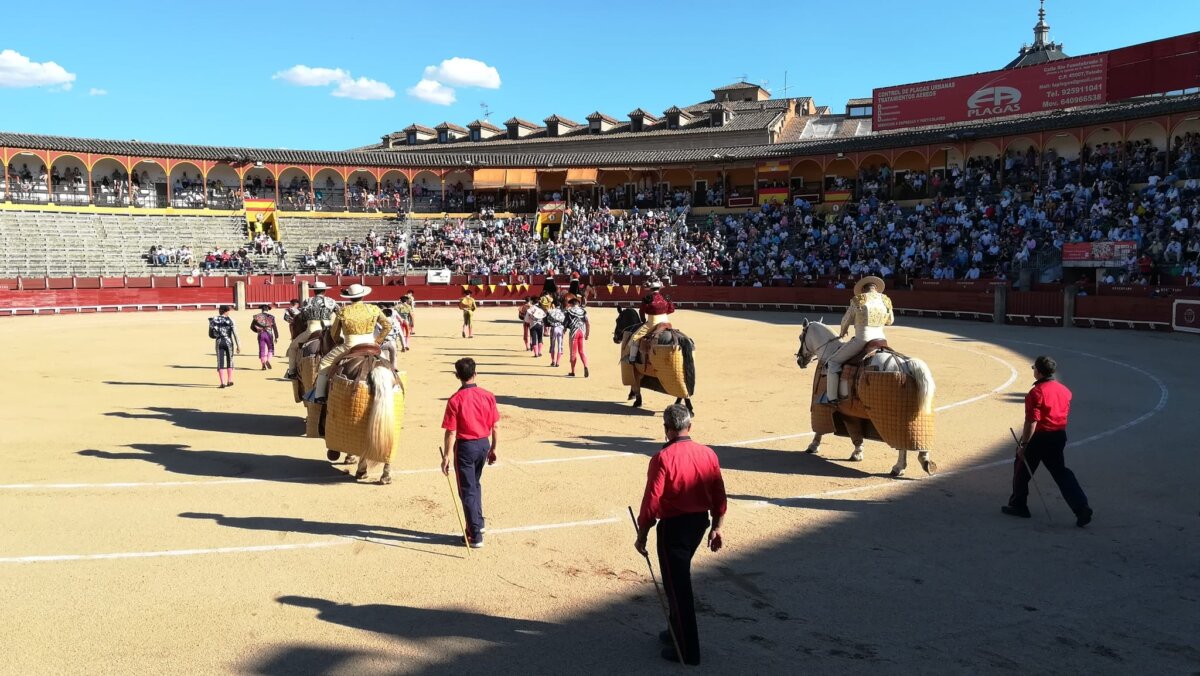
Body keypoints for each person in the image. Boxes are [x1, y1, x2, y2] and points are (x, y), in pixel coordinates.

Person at [635, 404, 726, 666]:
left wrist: (642, 534)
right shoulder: (708, 454)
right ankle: (675, 631)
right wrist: (717, 526)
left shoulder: (663, 458)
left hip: (673, 528)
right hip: (698, 524)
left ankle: (687, 650)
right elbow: (719, 493)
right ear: (689, 427)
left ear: (666, 430)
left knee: (678, 587)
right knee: (679, 579)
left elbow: (652, 502)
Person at [1003, 356, 1093, 527]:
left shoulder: (1036, 393)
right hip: (1058, 436)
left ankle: (1018, 505)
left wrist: (1024, 445)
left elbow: (1032, 421)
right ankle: (1081, 507)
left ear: (1038, 371)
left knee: (1021, 469)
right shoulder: (1065, 390)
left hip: (1039, 438)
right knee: (1061, 472)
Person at [441, 357, 500, 549]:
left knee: (467, 490)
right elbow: (495, 426)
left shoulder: (455, 400)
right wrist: (493, 448)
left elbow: (451, 431)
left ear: (457, 376)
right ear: (475, 374)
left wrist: (446, 456)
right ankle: (478, 522)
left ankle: (474, 534)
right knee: (475, 484)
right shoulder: (488, 395)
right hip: (483, 444)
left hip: (465, 447)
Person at [310, 284, 391, 400]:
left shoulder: (343, 311)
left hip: (350, 345)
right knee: (388, 366)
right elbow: (387, 326)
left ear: (349, 297)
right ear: (363, 296)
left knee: (324, 363)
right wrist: (378, 341)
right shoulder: (374, 309)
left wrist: (339, 342)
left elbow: (334, 333)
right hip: (371, 344)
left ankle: (320, 395)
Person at [823, 276, 893, 405]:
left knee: (832, 362)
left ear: (863, 289)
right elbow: (890, 321)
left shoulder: (858, 300)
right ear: (876, 288)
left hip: (863, 340)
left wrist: (843, 332)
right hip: (881, 340)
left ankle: (831, 398)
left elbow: (846, 320)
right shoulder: (886, 300)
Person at [286, 281, 339, 378]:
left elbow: (302, 316)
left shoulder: (308, 301)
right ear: (324, 291)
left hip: (311, 330)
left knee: (292, 348)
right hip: (328, 330)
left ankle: (292, 372)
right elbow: (339, 313)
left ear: (314, 291)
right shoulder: (331, 301)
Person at [628, 279, 675, 364]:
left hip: (653, 322)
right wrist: (663, 313)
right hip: (666, 321)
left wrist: (643, 320)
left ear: (650, 289)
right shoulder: (665, 297)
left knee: (635, 337)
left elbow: (641, 311)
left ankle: (632, 358)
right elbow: (672, 309)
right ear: (659, 289)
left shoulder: (648, 298)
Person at [209, 305, 240, 388]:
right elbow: (235, 334)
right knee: (230, 360)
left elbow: (211, 335)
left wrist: (217, 334)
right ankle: (229, 381)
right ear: (226, 311)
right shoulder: (231, 320)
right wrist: (238, 345)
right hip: (228, 342)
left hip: (219, 341)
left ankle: (222, 383)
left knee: (220, 361)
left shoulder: (213, 320)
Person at [564, 295, 590, 377]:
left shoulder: (569, 311)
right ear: (578, 303)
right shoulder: (583, 311)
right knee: (582, 352)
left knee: (573, 353)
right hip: (582, 332)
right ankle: (585, 366)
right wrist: (587, 334)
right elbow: (588, 323)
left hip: (573, 333)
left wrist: (564, 331)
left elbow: (565, 324)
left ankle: (573, 371)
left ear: (571, 304)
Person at [250, 304, 279, 370]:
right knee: (270, 348)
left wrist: (257, 331)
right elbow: (274, 327)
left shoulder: (257, 316)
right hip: (269, 334)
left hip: (261, 334)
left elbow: (252, 327)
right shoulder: (271, 317)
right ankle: (268, 360)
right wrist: (276, 336)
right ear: (267, 310)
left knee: (262, 349)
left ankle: (263, 364)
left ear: (262, 310)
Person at [545, 302, 566, 367]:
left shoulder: (551, 311)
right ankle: (558, 362)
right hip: (560, 328)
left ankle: (553, 361)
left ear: (554, 305)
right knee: (560, 345)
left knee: (553, 345)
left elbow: (547, 320)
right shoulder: (563, 312)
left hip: (553, 328)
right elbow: (564, 321)